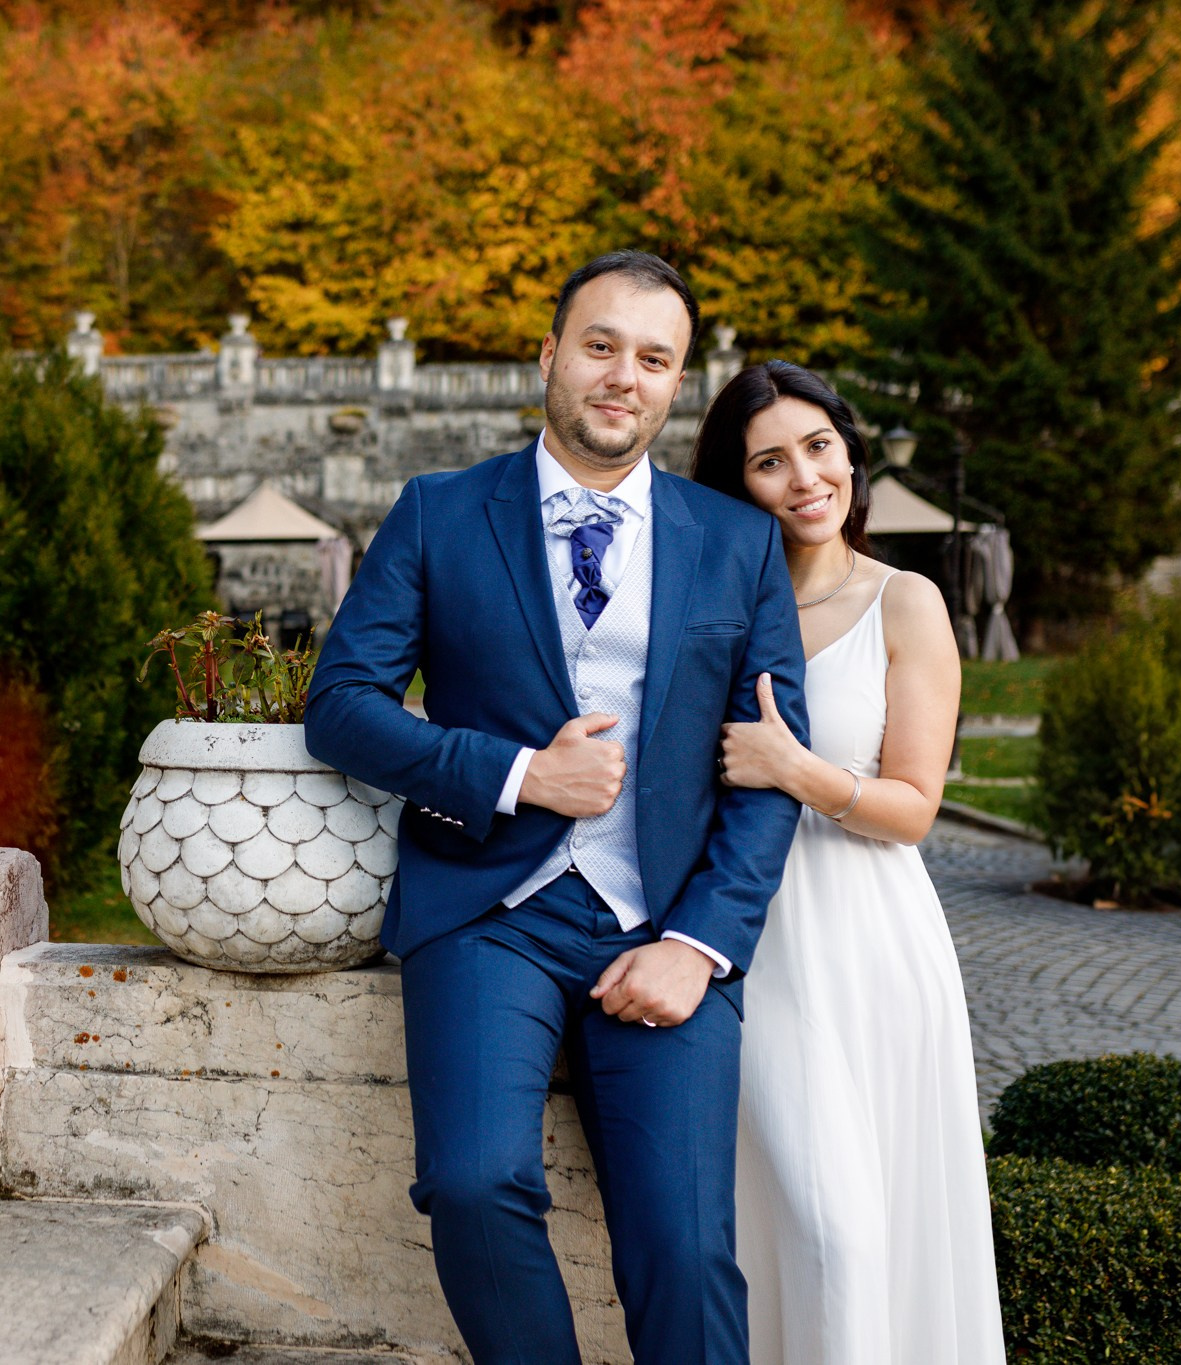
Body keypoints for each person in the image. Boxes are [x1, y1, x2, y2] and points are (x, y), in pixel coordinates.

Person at [305, 251, 806, 1364]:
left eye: (653, 358)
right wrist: (519, 773)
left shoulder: (734, 542)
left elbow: (773, 767)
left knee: (682, 1245)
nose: (622, 375)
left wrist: (700, 944)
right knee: (473, 1181)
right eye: (600, 345)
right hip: (489, 913)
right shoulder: (439, 514)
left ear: (675, 384)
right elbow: (339, 704)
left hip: (661, 918)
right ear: (549, 356)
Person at [692, 360, 1006, 1365]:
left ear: (849, 453)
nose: (803, 478)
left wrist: (797, 770)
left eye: (817, 447)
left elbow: (913, 808)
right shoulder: (715, 611)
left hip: (870, 940)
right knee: (802, 1224)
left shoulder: (903, 602)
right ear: (735, 484)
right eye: (767, 461)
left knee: (862, 1229)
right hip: (753, 944)